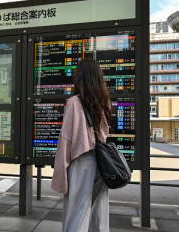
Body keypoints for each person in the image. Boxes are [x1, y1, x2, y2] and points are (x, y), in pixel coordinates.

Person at [51, 58, 112, 232]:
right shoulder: (105, 102)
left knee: (77, 211)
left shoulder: (74, 102)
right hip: (102, 162)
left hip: (81, 161)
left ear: (80, 78)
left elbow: (66, 140)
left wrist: (61, 174)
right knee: (98, 212)